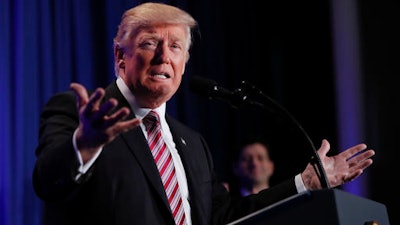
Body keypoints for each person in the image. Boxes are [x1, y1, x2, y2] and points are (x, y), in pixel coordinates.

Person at [32, 2, 375, 225]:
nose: (164, 56)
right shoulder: (79, 116)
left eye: (176, 47)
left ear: (184, 64)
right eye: (150, 42)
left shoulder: (192, 144)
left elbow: (225, 217)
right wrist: (86, 144)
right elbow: (48, 181)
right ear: (120, 56)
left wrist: (305, 183)